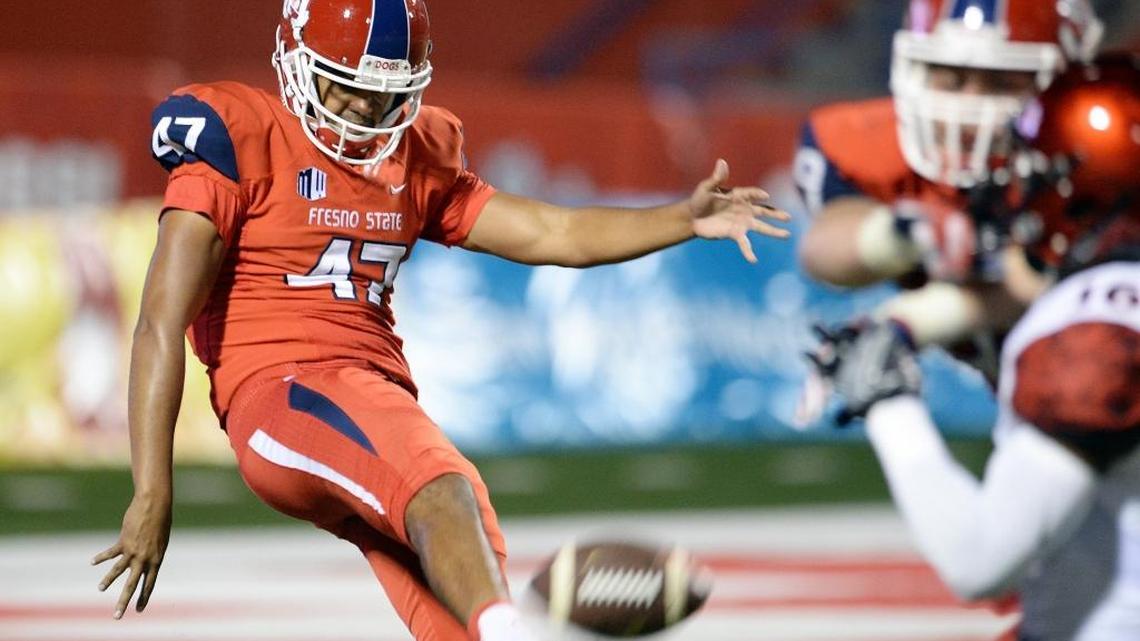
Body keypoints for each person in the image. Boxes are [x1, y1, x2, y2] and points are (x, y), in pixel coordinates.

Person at [89, 1, 790, 640]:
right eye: (349, 86)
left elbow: (554, 233)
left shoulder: (418, 153)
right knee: (438, 483)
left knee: (460, 556)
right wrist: (153, 489)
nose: (366, 110)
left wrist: (679, 219)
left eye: (385, 94)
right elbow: (158, 322)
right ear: (296, 61)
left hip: (372, 388)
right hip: (282, 390)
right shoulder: (237, 134)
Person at [808, 54, 1140, 641]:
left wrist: (887, 402)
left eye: (1038, 174)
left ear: (1085, 187)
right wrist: (905, 323)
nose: (1019, 192)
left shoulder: (1101, 336)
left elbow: (977, 561)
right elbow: (1019, 290)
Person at [793, 0, 1103, 353]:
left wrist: (919, 319)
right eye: (951, 80)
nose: (969, 111)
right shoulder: (871, 141)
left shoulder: (1102, 155)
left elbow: (1047, 284)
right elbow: (824, 245)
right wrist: (899, 231)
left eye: (1003, 83)